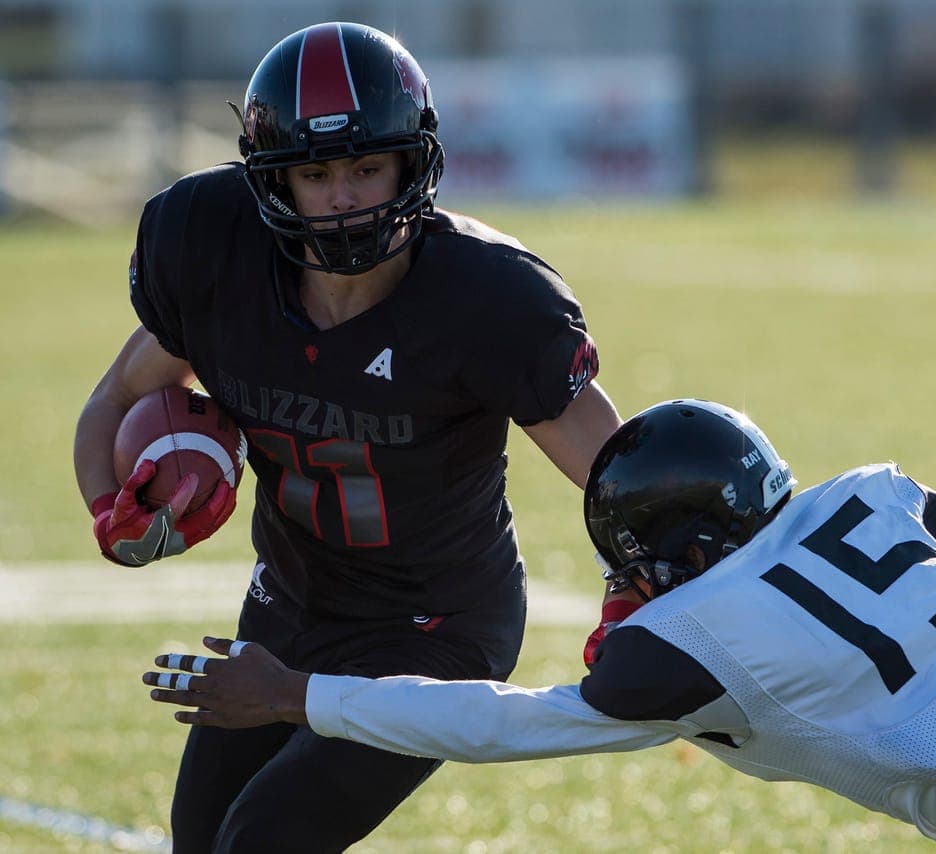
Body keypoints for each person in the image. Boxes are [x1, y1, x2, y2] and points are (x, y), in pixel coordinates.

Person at [144, 399, 936, 853]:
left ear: (684, 551)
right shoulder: (869, 504)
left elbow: (509, 723)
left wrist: (297, 694)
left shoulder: (692, 635)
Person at [74, 21, 626, 853]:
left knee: (265, 838)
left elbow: (618, 479)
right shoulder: (216, 255)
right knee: (202, 839)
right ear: (273, 181)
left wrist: (648, 586)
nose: (344, 196)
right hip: (293, 602)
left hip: (438, 625)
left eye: (367, 167)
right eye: (316, 172)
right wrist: (114, 517)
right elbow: (115, 399)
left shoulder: (487, 299)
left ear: (412, 161)